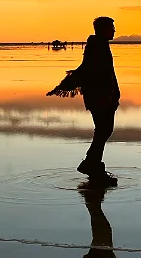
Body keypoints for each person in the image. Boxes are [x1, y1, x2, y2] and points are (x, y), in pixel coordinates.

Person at [48, 16, 121, 185]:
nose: (114, 30)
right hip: (100, 97)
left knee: (104, 131)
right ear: (102, 29)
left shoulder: (99, 45)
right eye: (111, 27)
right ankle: (91, 165)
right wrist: (64, 86)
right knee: (104, 130)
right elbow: (87, 70)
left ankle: (93, 166)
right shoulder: (96, 46)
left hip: (104, 96)